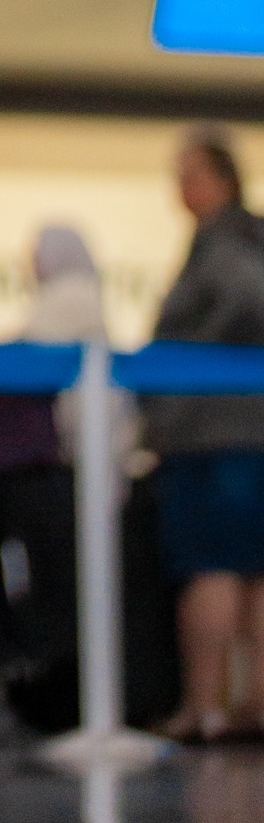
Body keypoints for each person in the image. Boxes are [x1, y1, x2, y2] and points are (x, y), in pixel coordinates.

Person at [141, 127, 264, 742]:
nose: (179, 189)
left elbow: (245, 299)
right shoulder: (247, 236)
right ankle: (250, 702)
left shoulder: (225, 243)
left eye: (189, 174)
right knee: (255, 572)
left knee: (212, 567)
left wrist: (186, 383)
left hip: (216, 438)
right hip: (246, 431)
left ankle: (205, 703)